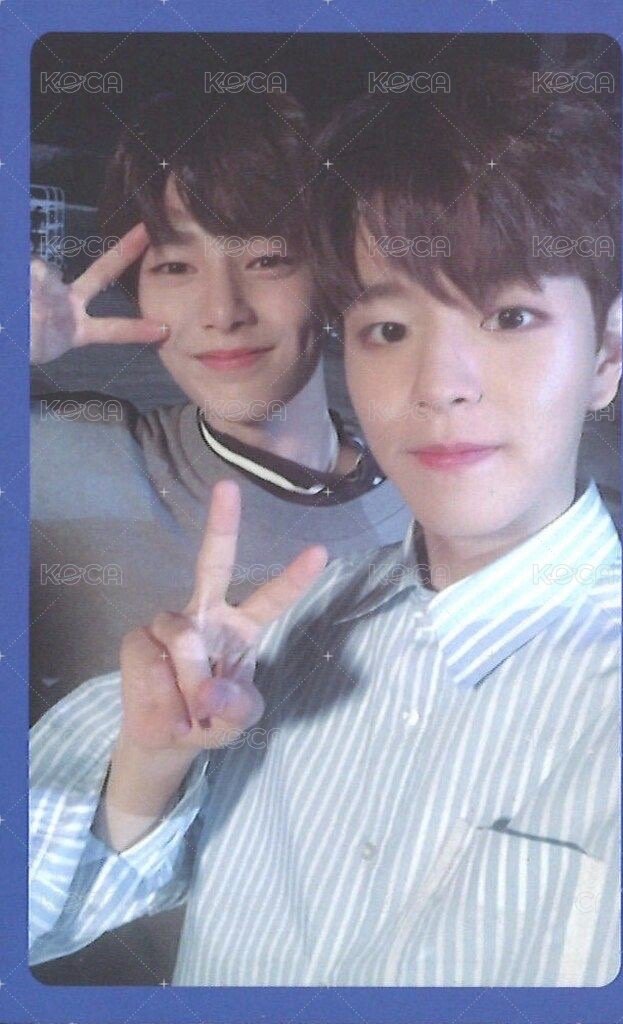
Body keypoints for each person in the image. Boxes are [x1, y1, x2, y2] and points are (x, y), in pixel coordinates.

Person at [30, 64, 622, 986]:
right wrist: (149, 759)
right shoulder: (260, 632)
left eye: (510, 316)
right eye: (388, 330)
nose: (440, 385)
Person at [29, 87, 410, 983]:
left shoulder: (433, 497)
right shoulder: (71, 454)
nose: (221, 309)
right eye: (174, 264)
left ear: (333, 275)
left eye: (268, 258)